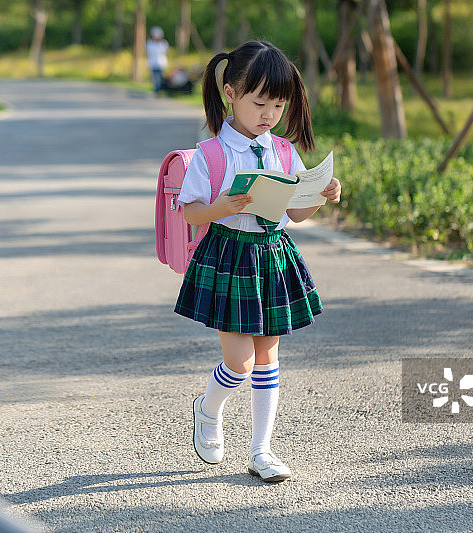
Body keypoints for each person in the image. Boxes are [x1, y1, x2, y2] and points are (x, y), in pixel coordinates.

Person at [174, 41, 341, 483]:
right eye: (260, 102)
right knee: (240, 363)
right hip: (230, 255)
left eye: (279, 105)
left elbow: (295, 214)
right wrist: (222, 207)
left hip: (272, 254)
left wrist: (320, 197)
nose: (269, 114)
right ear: (230, 93)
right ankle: (209, 407)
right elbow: (189, 211)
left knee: (268, 356)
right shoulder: (211, 154)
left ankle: (261, 450)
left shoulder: (285, 153)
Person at [146, 26, 169, 95]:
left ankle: (159, 89)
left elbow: (166, 51)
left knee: (160, 77)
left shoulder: (163, 43)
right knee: (155, 77)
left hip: (161, 63)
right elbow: (149, 53)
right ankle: (157, 89)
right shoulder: (150, 43)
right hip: (153, 63)